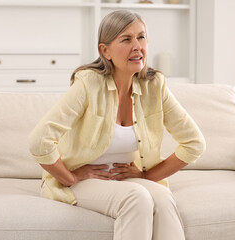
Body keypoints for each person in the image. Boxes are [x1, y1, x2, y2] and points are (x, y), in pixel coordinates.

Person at [29, 10, 206, 240]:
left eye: (141, 37)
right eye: (126, 39)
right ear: (105, 50)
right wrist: (70, 178)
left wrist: (147, 176)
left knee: (162, 198)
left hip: (126, 179)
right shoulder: (88, 84)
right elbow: (39, 141)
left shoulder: (154, 86)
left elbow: (194, 143)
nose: (137, 46)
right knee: (137, 198)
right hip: (82, 181)